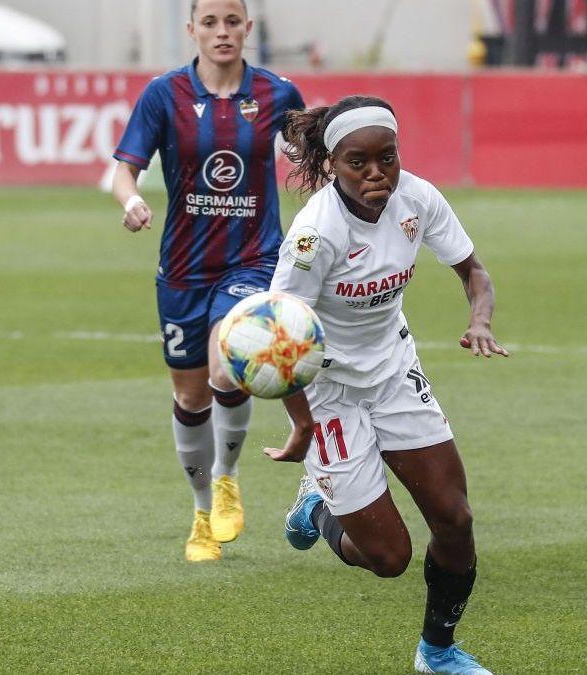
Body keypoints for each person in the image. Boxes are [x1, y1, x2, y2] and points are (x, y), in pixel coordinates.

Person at [264, 95, 505, 674]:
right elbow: (279, 336)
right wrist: (303, 424)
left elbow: (473, 270)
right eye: (358, 162)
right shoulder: (314, 235)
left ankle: (437, 653)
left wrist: (479, 320)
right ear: (331, 163)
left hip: (395, 371)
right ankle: (316, 506)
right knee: (389, 558)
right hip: (328, 391)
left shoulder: (416, 198)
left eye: (387, 158)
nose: (377, 174)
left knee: (456, 520)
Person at [111, 0, 304, 561]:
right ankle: (201, 510)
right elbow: (125, 170)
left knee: (228, 366)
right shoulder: (163, 94)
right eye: (211, 23)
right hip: (183, 267)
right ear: (191, 29)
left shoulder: (277, 94)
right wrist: (130, 201)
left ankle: (226, 477)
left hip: (253, 259)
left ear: (248, 28)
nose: (223, 32)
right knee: (190, 396)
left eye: (233, 21)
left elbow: (311, 153)